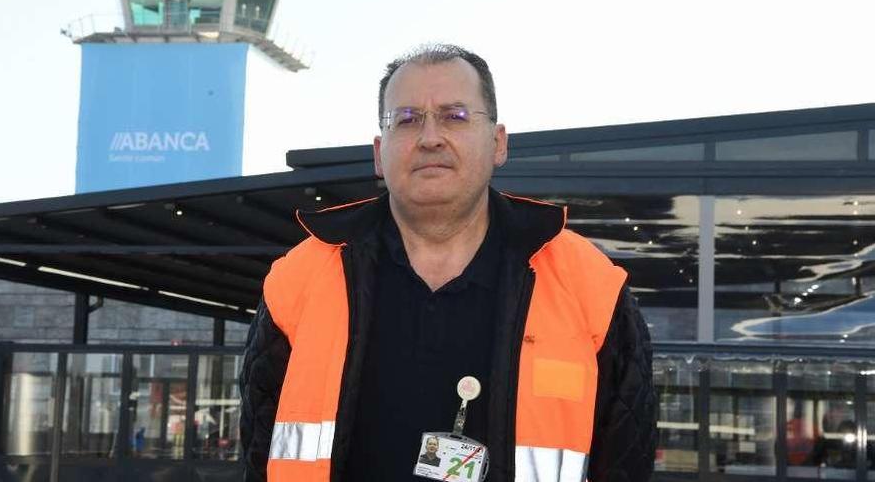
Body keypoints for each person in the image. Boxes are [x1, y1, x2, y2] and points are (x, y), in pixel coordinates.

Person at [240, 43, 656, 482]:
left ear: (498, 143)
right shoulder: (297, 284)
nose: (430, 137)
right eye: (407, 119)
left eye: (455, 116)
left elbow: (626, 462)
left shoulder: (590, 289)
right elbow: (256, 454)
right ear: (379, 155)